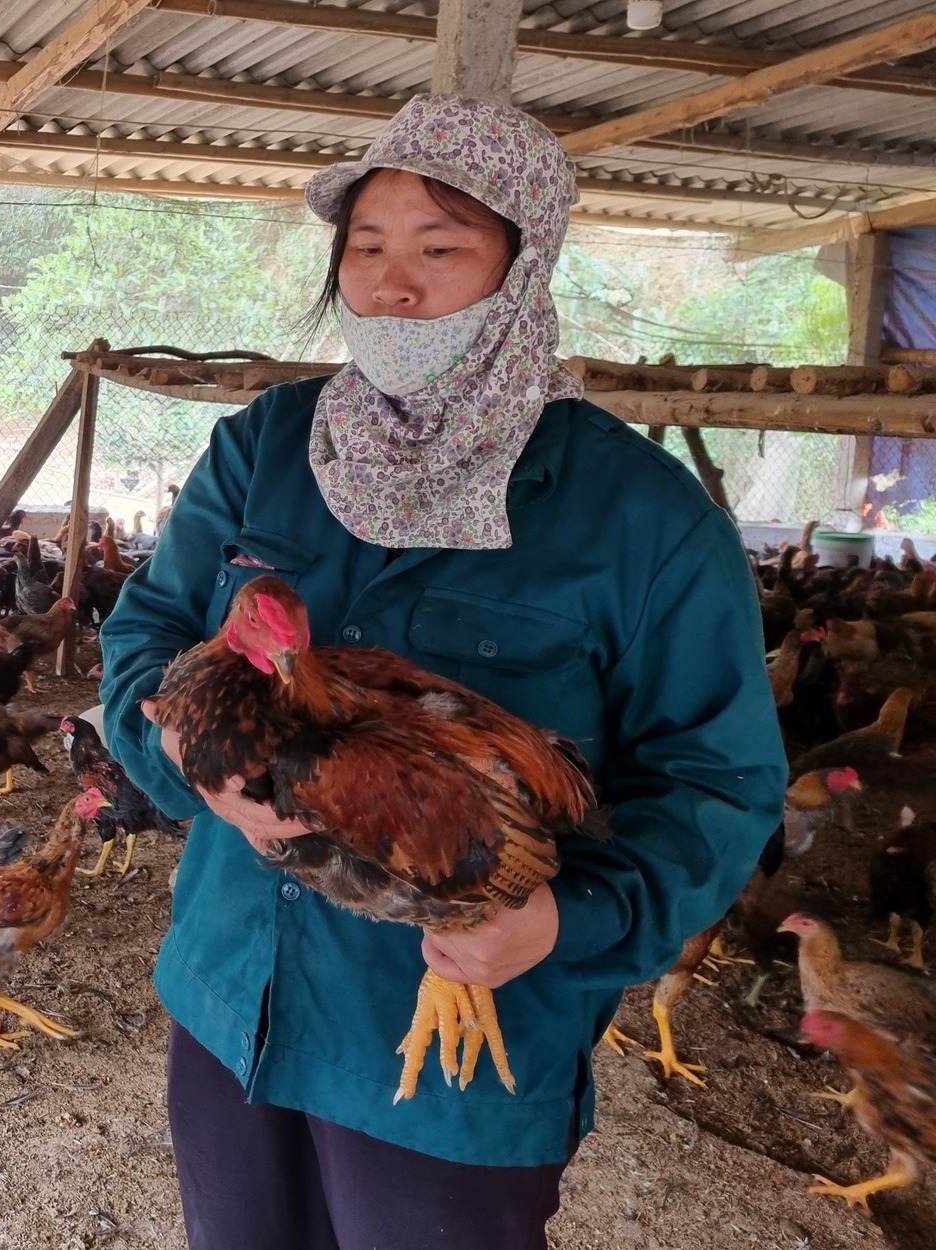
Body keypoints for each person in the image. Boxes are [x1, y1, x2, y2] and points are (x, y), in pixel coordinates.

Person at [98, 94, 786, 1250]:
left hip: (456, 1043)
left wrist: (560, 920)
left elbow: (718, 781)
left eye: (439, 247)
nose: (390, 286)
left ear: (523, 265)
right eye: (364, 247)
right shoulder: (264, 447)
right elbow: (146, 634)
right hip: (232, 994)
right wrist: (180, 750)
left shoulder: (642, 518)